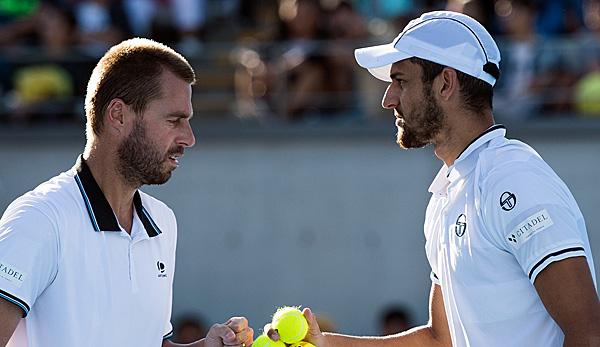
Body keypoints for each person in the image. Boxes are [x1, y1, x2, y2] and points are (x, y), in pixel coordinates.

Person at [269, 10, 600, 346]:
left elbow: (589, 336)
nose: (388, 99)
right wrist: (322, 344)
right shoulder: (448, 192)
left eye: (401, 81)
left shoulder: (513, 178)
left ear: (445, 83)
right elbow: (440, 339)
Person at [0, 38, 253, 347]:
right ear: (118, 115)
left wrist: (207, 346)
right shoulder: (39, 218)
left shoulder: (163, 222)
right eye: (175, 120)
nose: (189, 138)